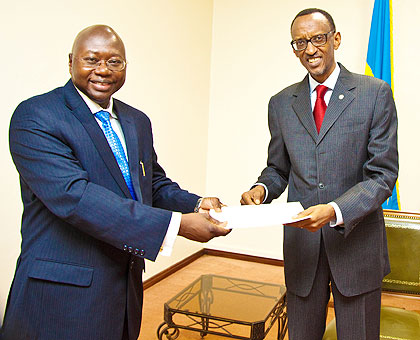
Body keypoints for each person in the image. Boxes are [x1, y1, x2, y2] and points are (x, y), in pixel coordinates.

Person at [1, 25, 230, 340]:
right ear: (71, 62)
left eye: (114, 62)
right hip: (60, 296)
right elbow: (76, 198)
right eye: (91, 60)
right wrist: (178, 225)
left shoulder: (136, 120)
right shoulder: (36, 116)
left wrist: (195, 203)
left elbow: (152, 184)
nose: (103, 70)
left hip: (123, 289)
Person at [241, 8, 398, 340]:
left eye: (317, 38)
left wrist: (335, 211)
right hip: (303, 251)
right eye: (299, 42)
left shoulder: (375, 93)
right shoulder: (281, 103)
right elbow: (277, 168)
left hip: (357, 246)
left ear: (335, 39)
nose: (309, 49)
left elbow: (382, 174)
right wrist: (261, 189)